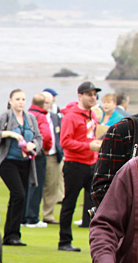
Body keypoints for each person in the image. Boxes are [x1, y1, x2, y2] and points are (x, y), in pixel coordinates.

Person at [0, 88, 40, 246]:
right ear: (10, 101)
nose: (21, 102)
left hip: (25, 162)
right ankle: (12, 235)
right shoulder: (5, 117)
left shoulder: (30, 118)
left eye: (23, 99)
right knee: (19, 194)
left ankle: (12, 235)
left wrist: (33, 145)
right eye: (17, 99)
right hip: (7, 161)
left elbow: (38, 138)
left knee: (19, 198)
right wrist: (9, 134)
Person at [57, 81, 103, 251]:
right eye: (89, 94)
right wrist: (88, 146)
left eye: (94, 94)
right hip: (75, 164)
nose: (93, 97)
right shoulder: (71, 116)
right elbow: (65, 142)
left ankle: (97, 242)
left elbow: (91, 136)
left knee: (94, 204)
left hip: (92, 163)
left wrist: (95, 146)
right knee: (69, 203)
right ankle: (64, 241)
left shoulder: (93, 115)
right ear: (80, 96)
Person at [24, 93, 54, 227]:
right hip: (38, 153)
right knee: (36, 185)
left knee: (25, 186)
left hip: (24, 153)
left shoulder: (25, 114)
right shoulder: (41, 117)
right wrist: (46, 148)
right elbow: (46, 136)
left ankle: (23, 217)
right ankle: (32, 218)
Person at [41, 89, 65, 224]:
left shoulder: (56, 116)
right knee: (36, 187)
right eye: (45, 102)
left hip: (54, 155)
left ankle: (48, 215)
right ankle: (29, 216)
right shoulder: (35, 115)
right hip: (40, 155)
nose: (47, 105)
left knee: (52, 186)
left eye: (49, 102)